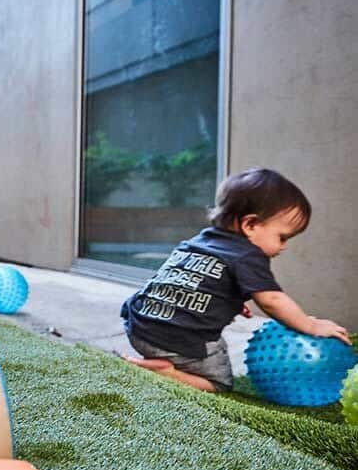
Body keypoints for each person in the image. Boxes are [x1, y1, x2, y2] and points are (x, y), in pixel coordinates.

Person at [121, 167, 351, 392]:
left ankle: (158, 358)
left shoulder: (200, 241)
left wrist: (227, 299)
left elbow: (190, 282)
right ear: (250, 225)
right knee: (220, 384)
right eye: (282, 237)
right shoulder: (247, 255)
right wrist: (310, 325)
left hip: (139, 326)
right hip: (175, 342)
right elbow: (271, 300)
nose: (284, 247)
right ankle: (168, 374)